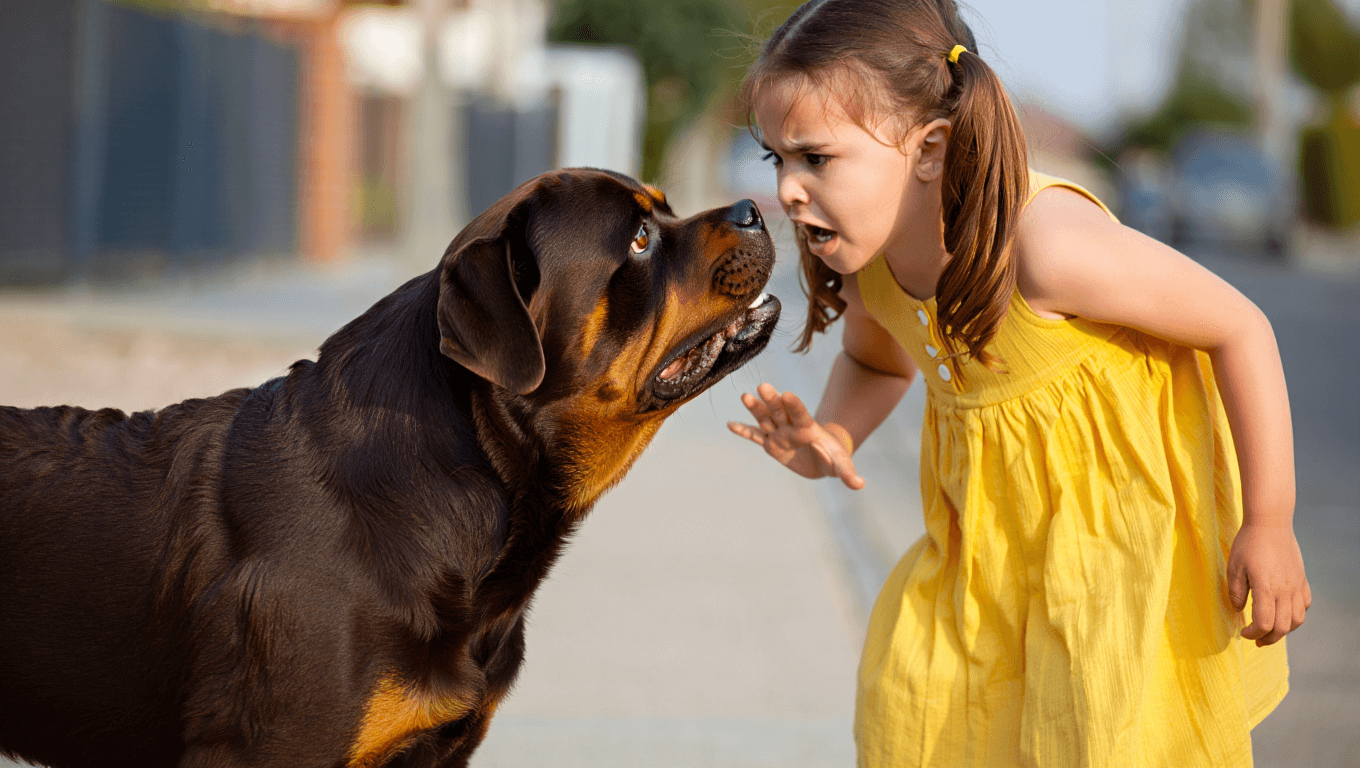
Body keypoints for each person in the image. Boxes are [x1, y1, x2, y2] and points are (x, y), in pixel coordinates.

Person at [726, 1, 1311, 765]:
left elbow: (1240, 327)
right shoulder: (874, 272)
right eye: (778, 160)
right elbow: (878, 361)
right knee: (916, 714)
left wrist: (1268, 519)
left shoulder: (1045, 247)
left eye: (817, 158)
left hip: (1110, 553)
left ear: (930, 147)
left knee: (1090, 742)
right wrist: (831, 435)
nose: (792, 190)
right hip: (980, 560)